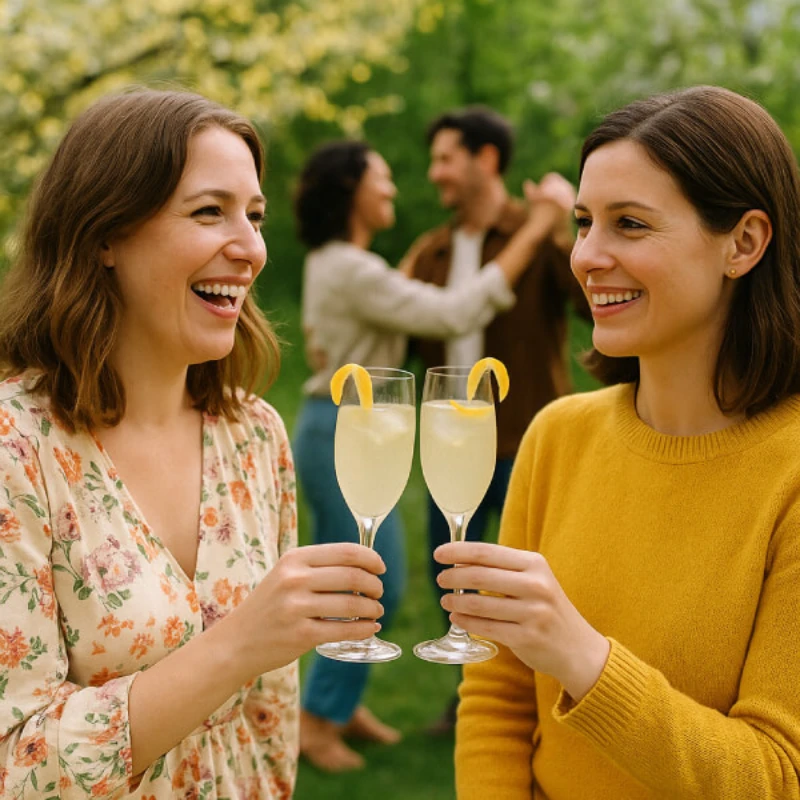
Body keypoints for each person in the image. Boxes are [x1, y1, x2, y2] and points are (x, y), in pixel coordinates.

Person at [0, 89, 391, 799]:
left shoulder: (253, 435)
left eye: (255, 215)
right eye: (209, 212)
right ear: (103, 235)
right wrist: (238, 643)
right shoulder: (13, 451)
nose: (250, 248)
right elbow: (15, 764)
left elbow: (269, 719)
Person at [434, 85, 800, 798]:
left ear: (745, 243)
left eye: (629, 224)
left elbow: (777, 776)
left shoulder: (789, 471)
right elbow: (496, 699)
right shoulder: (558, 437)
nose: (588, 256)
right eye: (583, 222)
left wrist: (582, 658)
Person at [292, 139, 568, 771]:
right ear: (350, 189)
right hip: (347, 421)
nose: (395, 186)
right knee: (369, 580)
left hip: (361, 417)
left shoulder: (356, 263)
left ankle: (337, 705)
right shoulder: (350, 267)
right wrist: (538, 229)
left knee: (368, 578)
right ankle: (313, 721)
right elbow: (451, 312)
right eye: (383, 175)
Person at [402, 105, 590, 732]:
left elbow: (593, 308)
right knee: (451, 576)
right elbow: (399, 330)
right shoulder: (430, 252)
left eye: (446, 158)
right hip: (448, 446)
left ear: (487, 160)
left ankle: (536, 698)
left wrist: (562, 229)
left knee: (528, 581)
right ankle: (474, 695)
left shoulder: (539, 239)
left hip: (523, 441)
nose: (436, 174)